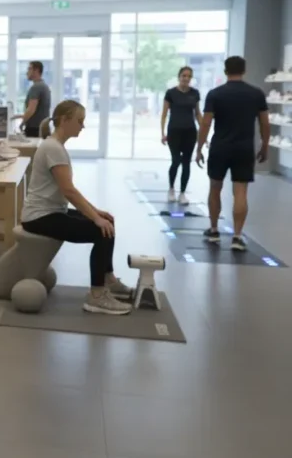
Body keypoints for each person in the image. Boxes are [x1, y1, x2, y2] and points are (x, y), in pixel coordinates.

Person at [21, 100, 133, 315]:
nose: (83, 126)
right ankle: (97, 297)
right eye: (80, 121)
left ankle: (108, 280)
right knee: (101, 230)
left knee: (107, 221)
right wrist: (95, 218)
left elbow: (69, 191)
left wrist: (96, 212)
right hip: (39, 217)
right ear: (65, 120)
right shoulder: (53, 148)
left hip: (51, 212)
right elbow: (69, 191)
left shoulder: (55, 145)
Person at [195, 56, 269, 251]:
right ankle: (237, 236)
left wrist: (199, 147)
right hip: (244, 148)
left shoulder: (215, 94)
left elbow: (206, 123)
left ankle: (213, 230)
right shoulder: (256, 94)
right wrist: (265, 145)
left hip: (220, 147)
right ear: (244, 70)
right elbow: (264, 122)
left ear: (226, 71)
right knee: (241, 192)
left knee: (215, 188)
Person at [160, 66, 202, 205]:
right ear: (179, 77)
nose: (186, 78)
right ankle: (171, 189)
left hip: (190, 131)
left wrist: (203, 132)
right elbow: (164, 114)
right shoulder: (171, 93)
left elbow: (197, 113)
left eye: (189, 76)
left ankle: (182, 193)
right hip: (174, 131)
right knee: (176, 160)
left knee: (186, 163)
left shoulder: (195, 93)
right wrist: (162, 133)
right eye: (184, 76)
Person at [12, 61, 51, 137]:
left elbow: (31, 109)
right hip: (43, 128)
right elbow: (38, 110)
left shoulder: (36, 87)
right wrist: (20, 116)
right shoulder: (44, 86)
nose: (27, 72)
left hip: (34, 129)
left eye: (29, 69)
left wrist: (22, 123)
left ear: (36, 71)